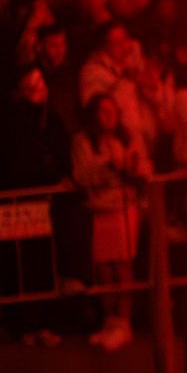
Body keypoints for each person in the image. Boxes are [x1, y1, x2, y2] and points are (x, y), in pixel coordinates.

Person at [70, 92, 149, 351]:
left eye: (112, 110)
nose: (109, 116)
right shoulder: (83, 141)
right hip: (99, 210)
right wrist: (108, 164)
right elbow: (82, 174)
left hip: (124, 208)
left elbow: (143, 168)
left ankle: (124, 322)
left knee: (122, 266)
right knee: (102, 268)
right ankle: (109, 320)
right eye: (103, 111)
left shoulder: (128, 138)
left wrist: (129, 164)